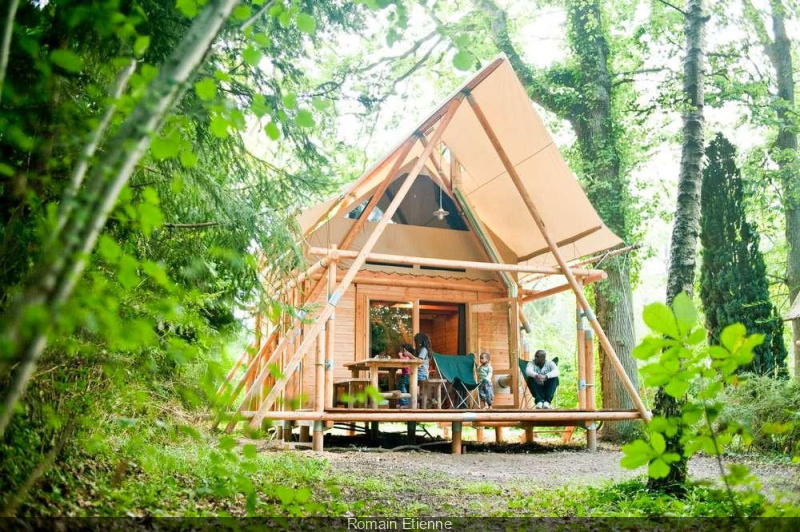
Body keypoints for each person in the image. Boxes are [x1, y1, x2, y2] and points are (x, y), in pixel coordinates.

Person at [398, 332, 431, 408]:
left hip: (421, 375)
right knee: (405, 381)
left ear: (420, 341)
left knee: (401, 382)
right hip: (420, 374)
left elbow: (419, 361)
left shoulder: (424, 349)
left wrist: (409, 355)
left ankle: (405, 403)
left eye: (416, 341)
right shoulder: (423, 350)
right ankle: (409, 403)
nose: (416, 343)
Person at [396, 343, 414, 407]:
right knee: (401, 383)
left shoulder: (407, 357)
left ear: (405, 350)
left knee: (401, 383)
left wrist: (400, 356)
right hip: (407, 375)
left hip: (408, 376)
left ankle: (404, 403)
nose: (400, 351)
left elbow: (403, 360)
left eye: (401, 350)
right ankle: (403, 402)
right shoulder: (408, 357)